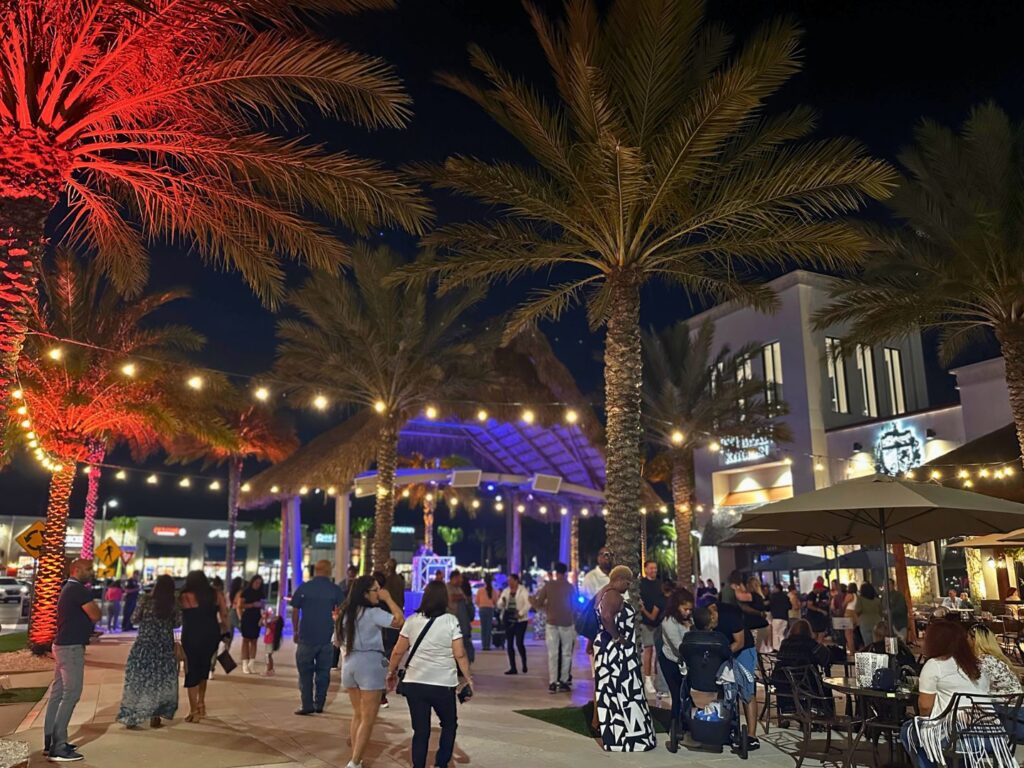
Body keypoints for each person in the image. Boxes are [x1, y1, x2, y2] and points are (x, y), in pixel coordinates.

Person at [386, 581, 473, 768]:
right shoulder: (451, 621)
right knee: (449, 724)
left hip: (415, 683)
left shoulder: (412, 621)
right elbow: (459, 653)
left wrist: (391, 672)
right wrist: (468, 678)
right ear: (445, 599)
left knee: (420, 730)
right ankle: (441, 763)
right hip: (442, 685)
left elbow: (397, 651)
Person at [900, 619, 992, 768]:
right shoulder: (978, 666)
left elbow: (924, 706)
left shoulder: (935, 665)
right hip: (992, 735)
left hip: (961, 737)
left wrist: (926, 721)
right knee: (943, 735)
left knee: (909, 730)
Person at [337, 574, 404, 768]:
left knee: (358, 714)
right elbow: (400, 621)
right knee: (368, 718)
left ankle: (355, 758)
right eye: (376, 590)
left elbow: (336, 640)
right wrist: (388, 598)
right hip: (369, 664)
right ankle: (355, 762)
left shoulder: (345, 613)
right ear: (365, 593)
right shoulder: (372, 613)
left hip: (349, 664)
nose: (379, 593)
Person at [593, 565, 656, 752]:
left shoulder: (602, 593)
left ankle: (617, 737)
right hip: (617, 653)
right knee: (626, 693)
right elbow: (606, 616)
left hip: (609, 650)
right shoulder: (613, 595)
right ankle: (630, 739)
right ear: (619, 578)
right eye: (627, 582)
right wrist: (618, 637)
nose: (628, 586)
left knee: (612, 692)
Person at [44, 558, 100, 762]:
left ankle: (50, 741)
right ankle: (58, 747)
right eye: (88, 569)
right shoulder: (78, 590)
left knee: (58, 694)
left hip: (61, 645)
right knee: (71, 693)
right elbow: (95, 614)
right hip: (71, 648)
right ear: (76, 569)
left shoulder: (68, 588)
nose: (91, 572)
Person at [117, 575, 180, 729]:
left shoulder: (145, 600)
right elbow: (177, 623)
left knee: (138, 680)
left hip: (144, 644)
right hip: (164, 646)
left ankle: (131, 717)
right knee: (160, 681)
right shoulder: (173, 603)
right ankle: (155, 716)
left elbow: (134, 619)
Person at [291, 560, 345, 715]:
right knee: (323, 673)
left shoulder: (304, 587)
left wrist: (295, 631)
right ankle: (319, 703)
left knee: (305, 673)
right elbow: (342, 610)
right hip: (325, 638)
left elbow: (295, 610)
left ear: (316, 570)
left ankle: (307, 704)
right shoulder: (334, 589)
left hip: (306, 637)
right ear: (329, 571)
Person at [180, 570, 228, 723]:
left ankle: (193, 710)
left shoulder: (184, 595)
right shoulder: (215, 594)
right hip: (210, 634)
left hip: (191, 634)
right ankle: (201, 702)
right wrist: (226, 631)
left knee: (191, 669)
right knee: (204, 667)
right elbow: (224, 614)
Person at [714, 592, 760, 750]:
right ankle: (727, 728)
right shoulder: (706, 618)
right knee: (725, 688)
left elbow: (739, 643)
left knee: (747, 690)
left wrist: (724, 654)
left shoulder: (730, 617)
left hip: (744, 649)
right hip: (725, 649)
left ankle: (752, 736)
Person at [531, 562, 577, 693]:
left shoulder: (548, 586)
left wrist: (536, 602)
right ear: (566, 573)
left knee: (553, 653)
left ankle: (552, 682)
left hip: (551, 622)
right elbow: (575, 606)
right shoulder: (570, 587)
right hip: (567, 623)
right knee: (566, 653)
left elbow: (538, 603)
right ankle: (563, 680)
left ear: (556, 572)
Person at [657, 587, 693, 724]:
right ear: (677, 606)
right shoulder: (668, 622)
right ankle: (676, 724)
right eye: (685, 609)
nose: (688, 612)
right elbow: (678, 646)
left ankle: (686, 721)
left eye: (690, 609)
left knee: (686, 694)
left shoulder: (689, 619)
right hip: (671, 660)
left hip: (686, 661)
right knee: (677, 693)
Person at [381, 559, 406, 709]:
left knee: (388, 647)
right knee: (393, 645)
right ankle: (393, 669)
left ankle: (390, 670)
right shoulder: (399, 580)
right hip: (397, 615)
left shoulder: (389, 581)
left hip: (389, 617)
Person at [968, 624, 1022, 695]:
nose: (966, 641)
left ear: (974, 640)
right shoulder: (996, 658)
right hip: (1016, 700)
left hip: (1003, 702)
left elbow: (979, 687)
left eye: (967, 637)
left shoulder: (983, 660)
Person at [638, 560, 665, 698]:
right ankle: (647, 679)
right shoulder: (641, 584)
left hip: (659, 622)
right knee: (648, 649)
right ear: (646, 569)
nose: (654, 570)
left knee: (659, 650)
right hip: (646, 621)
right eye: (651, 568)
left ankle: (658, 679)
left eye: (655, 568)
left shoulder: (660, 584)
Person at [497, 573, 530, 674]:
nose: (509, 583)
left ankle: (524, 664)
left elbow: (528, 603)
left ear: (516, 581)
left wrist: (520, 613)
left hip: (520, 620)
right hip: (508, 618)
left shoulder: (523, 590)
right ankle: (513, 667)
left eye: (511, 581)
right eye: (508, 581)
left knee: (519, 643)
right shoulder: (506, 591)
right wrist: (502, 602)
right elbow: (499, 604)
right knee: (509, 643)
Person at [239, 575, 266, 674]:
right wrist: (252, 605)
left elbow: (264, 605)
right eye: (256, 582)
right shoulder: (246, 592)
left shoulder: (261, 593)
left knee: (254, 640)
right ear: (252, 582)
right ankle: (244, 663)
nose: (257, 585)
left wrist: (263, 617)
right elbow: (240, 605)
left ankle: (252, 663)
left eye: (259, 583)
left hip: (257, 617)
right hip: (247, 616)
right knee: (246, 640)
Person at [446, 570, 474, 665]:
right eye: (460, 578)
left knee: (464, 641)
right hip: (452, 619)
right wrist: (461, 597)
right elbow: (451, 598)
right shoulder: (448, 587)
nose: (461, 580)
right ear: (455, 578)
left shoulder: (459, 588)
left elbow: (464, 598)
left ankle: (467, 660)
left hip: (461, 620)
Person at [474, 572, 498, 651]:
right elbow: (495, 601)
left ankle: (484, 645)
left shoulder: (480, 590)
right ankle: (488, 645)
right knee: (488, 628)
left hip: (482, 609)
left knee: (483, 628)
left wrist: (480, 606)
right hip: (490, 609)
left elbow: (476, 601)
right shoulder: (494, 591)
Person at [856, 582, 882, 647]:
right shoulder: (877, 600)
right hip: (877, 622)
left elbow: (858, 610)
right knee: (878, 643)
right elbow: (881, 611)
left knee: (868, 644)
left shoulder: (860, 599)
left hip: (865, 622)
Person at [769, 582, 791, 651]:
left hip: (776, 617)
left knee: (775, 633)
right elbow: (789, 606)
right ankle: (783, 646)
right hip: (784, 617)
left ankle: (776, 648)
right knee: (781, 633)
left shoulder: (773, 596)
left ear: (777, 588)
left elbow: (769, 606)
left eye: (774, 588)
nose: (773, 589)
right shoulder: (785, 596)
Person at [227, 576, 244, 650]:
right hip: (235, 613)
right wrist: (240, 619)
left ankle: (225, 653)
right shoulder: (240, 593)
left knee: (229, 636)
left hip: (230, 612)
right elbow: (238, 607)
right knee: (245, 632)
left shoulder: (230, 593)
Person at [843, 582, 859, 654]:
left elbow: (844, 604)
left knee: (848, 634)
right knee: (851, 634)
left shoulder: (849, 595)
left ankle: (852, 651)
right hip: (854, 614)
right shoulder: (856, 595)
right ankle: (853, 649)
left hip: (848, 613)